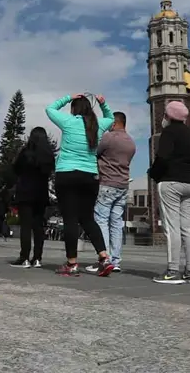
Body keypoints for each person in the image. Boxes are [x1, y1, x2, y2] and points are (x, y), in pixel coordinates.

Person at [45, 93, 116, 277]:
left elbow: (50, 109)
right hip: (90, 176)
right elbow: (110, 118)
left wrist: (68, 97)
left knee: (70, 219)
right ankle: (104, 257)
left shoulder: (68, 122)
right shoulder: (98, 125)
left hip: (67, 174)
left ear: (74, 109)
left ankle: (72, 263)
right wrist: (103, 103)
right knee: (87, 218)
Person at [149, 101, 190, 285]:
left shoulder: (168, 132)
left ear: (169, 116)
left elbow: (162, 157)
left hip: (171, 181)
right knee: (188, 227)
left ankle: (172, 270)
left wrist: (153, 173)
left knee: (172, 227)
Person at [93, 111, 136, 273]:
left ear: (114, 123)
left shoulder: (108, 137)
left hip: (107, 183)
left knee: (101, 220)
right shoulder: (131, 142)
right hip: (123, 185)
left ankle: (105, 259)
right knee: (117, 223)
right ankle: (116, 260)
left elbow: (95, 152)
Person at [11, 127, 55, 268]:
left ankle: (24, 257)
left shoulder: (25, 153)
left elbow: (15, 168)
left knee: (26, 226)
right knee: (38, 227)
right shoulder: (48, 156)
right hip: (41, 193)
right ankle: (37, 258)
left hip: (25, 192)